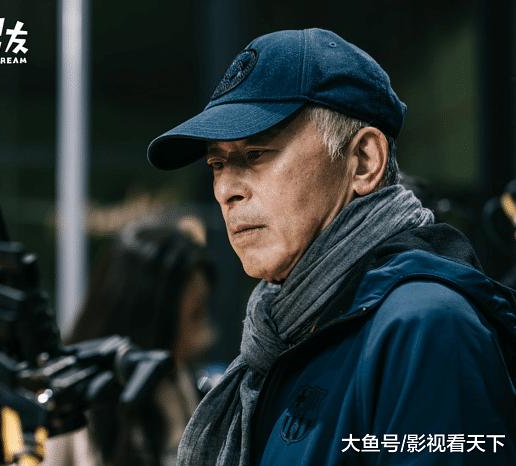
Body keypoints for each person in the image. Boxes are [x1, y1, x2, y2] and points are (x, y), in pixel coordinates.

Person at [147, 28, 516, 465]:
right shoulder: (282, 332)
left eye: (257, 153)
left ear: (364, 161)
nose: (227, 189)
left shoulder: (425, 326)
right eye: (216, 163)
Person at [45, 219, 215, 466]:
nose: (206, 337)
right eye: (195, 315)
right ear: (150, 316)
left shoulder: (181, 385)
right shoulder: (70, 397)